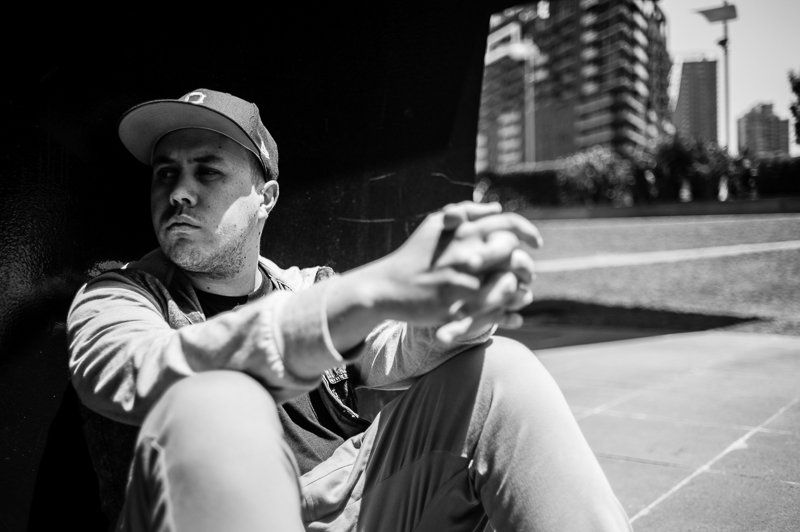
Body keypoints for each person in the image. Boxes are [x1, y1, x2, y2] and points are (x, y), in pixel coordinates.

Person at [67, 88, 632, 531]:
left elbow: (398, 347)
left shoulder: (304, 288)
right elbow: (141, 370)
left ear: (265, 198)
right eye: (166, 173)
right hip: (220, 512)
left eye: (207, 170)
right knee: (217, 403)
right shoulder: (119, 295)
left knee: (501, 369)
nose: (179, 192)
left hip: (351, 500)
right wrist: (372, 290)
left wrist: (462, 309)